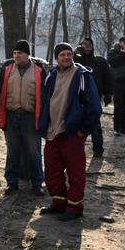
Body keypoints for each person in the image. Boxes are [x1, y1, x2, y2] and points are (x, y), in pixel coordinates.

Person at [38, 43, 102, 221]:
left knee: (75, 172)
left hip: (72, 133)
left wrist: (83, 130)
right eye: (62, 55)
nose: (66, 57)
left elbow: (94, 107)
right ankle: (58, 203)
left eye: (69, 54)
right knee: (52, 170)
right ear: (56, 58)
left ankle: (74, 208)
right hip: (52, 132)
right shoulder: (51, 76)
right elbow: (45, 101)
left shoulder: (83, 76)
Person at [0, 39, 46, 196]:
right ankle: (12, 183)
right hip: (11, 116)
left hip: (30, 117)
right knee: (12, 151)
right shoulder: (7, 69)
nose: (16, 56)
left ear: (27, 54)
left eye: (20, 53)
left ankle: (37, 183)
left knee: (34, 151)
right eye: (15, 53)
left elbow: (45, 95)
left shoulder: (39, 71)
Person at [75, 37, 113, 157]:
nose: (87, 46)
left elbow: (108, 78)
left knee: (95, 122)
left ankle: (98, 149)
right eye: (84, 44)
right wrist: (75, 53)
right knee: (78, 123)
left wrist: (108, 94)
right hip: (79, 97)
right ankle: (78, 148)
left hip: (95, 97)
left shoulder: (100, 61)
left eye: (89, 44)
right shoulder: (76, 61)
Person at [107, 36, 125, 136]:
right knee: (118, 106)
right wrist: (122, 54)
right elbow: (112, 62)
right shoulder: (113, 51)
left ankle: (123, 127)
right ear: (120, 43)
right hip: (118, 82)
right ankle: (116, 128)